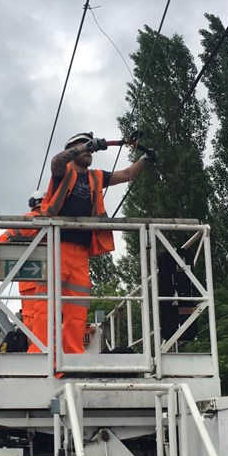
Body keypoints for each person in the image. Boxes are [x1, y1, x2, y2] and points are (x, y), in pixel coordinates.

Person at [35, 132, 156, 355]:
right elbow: (56, 161)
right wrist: (87, 146)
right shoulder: (64, 171)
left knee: (77, 308)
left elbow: (128, 174)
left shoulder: (96, 177)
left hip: (81, 252)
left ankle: (72, 355)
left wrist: (144, 160)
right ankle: (40, 354)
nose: (88, 151)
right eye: (82, 146)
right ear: (72, 148)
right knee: (48, 305)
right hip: (57, 246)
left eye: (89, 147)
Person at [0, 190, 46, 352]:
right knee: (44, 320)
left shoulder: (30, 221)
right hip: (45, 281)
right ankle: (41, 351)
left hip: (30, 281)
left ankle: (36, 352)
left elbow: (3, 238)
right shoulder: (48, 221)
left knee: (33, 321)